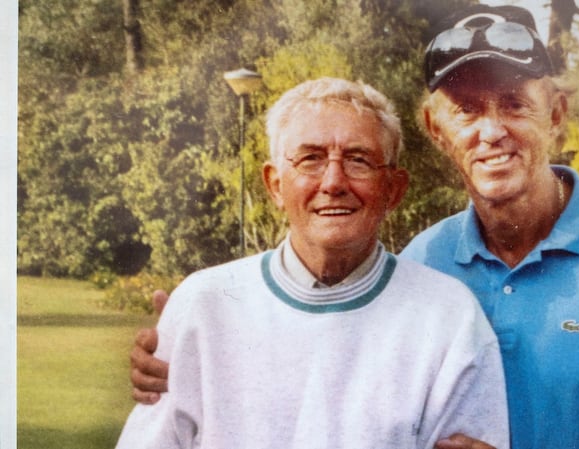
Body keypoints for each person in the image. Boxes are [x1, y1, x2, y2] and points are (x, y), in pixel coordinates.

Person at [129, 5, 579, 449]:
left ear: (557, 112)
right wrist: (184, 346)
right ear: (435, 128)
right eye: (468, 110)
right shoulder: (426, 260)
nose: (491, 130)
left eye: (515, 104)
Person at [115, 77, 509, 449]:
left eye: (359, 160)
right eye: (310, 159)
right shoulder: (204, 303)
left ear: (393, 189)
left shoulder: (448, 317)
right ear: (274, 185)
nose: (333, 182)